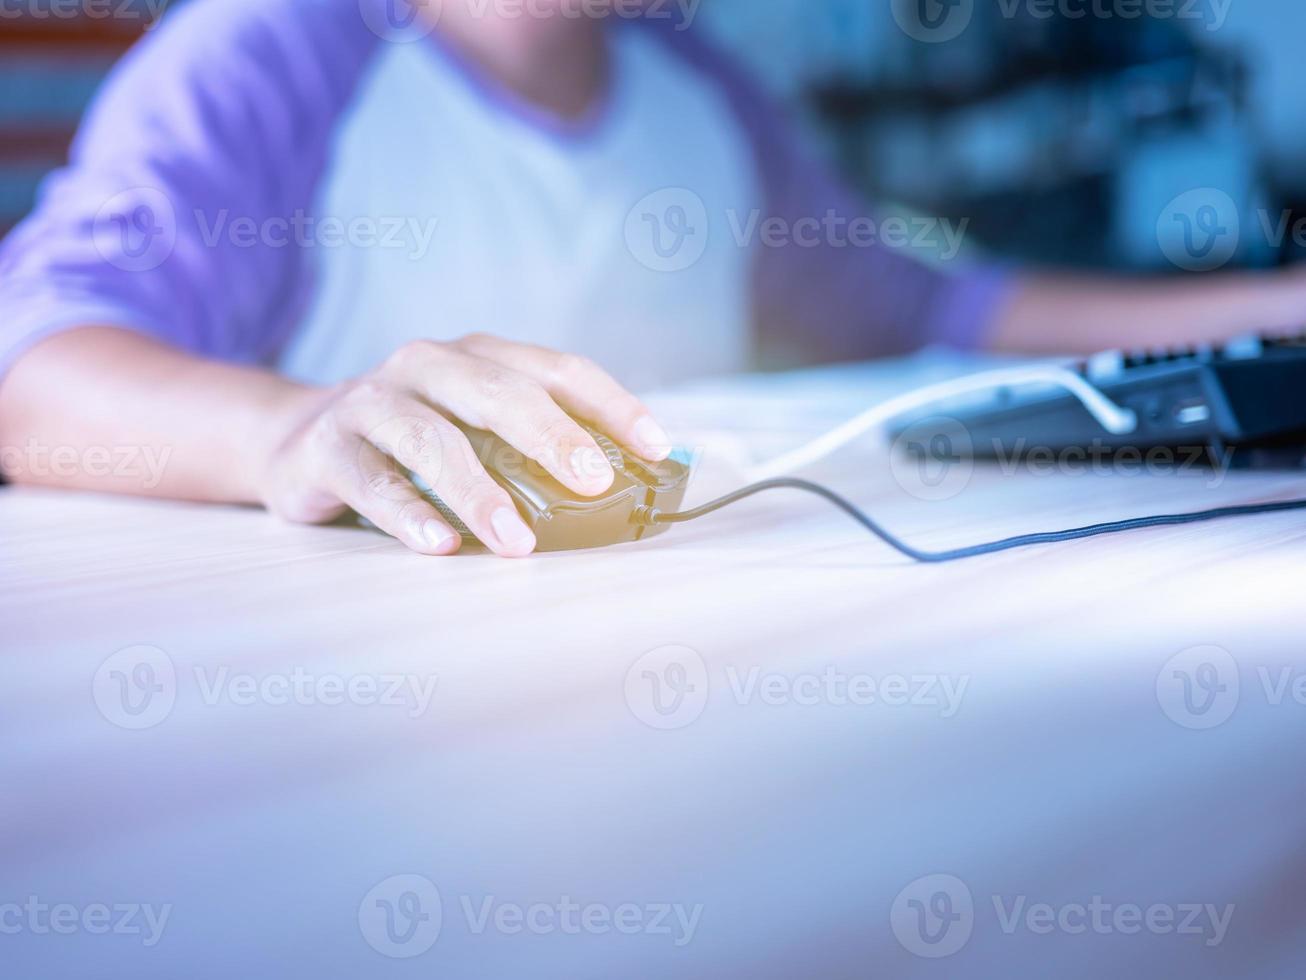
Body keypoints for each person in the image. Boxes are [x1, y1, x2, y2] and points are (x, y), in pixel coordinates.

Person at [1, 0, 1302, 557]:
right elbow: (36, 366)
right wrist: (289, 428)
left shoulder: (699, 88)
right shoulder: (275, 48)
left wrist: (1271, 308)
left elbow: (933, 309)